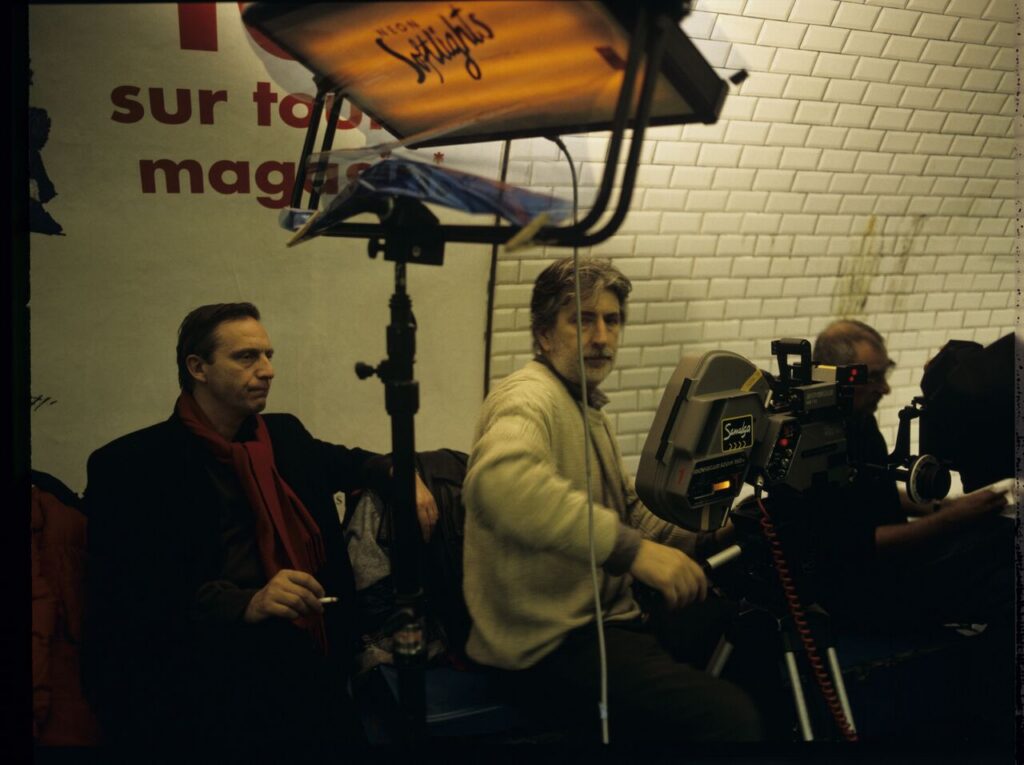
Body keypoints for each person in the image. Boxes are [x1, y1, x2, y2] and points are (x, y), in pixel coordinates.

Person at [82, 302, 438, 750]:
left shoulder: (283, 435)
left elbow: (348, 462)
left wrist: (399, 472)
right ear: (198, 367)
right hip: (211, 672)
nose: (267, 370)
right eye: (246, 357)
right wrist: (248, 602)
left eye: (268, 355)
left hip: (312, 652)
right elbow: (134, 594)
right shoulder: (135, 465)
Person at [461, 257, 762, 745]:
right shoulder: (526, 398)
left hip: (605, 621)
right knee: (730, 718)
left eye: (611, 319)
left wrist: (719, 532)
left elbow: (630, 513)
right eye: (581, 319)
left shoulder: (584, 405)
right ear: (543, 334)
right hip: (549, 644)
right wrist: (634, 552)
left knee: (753, 638)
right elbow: (499, 483)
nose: (601, 336)